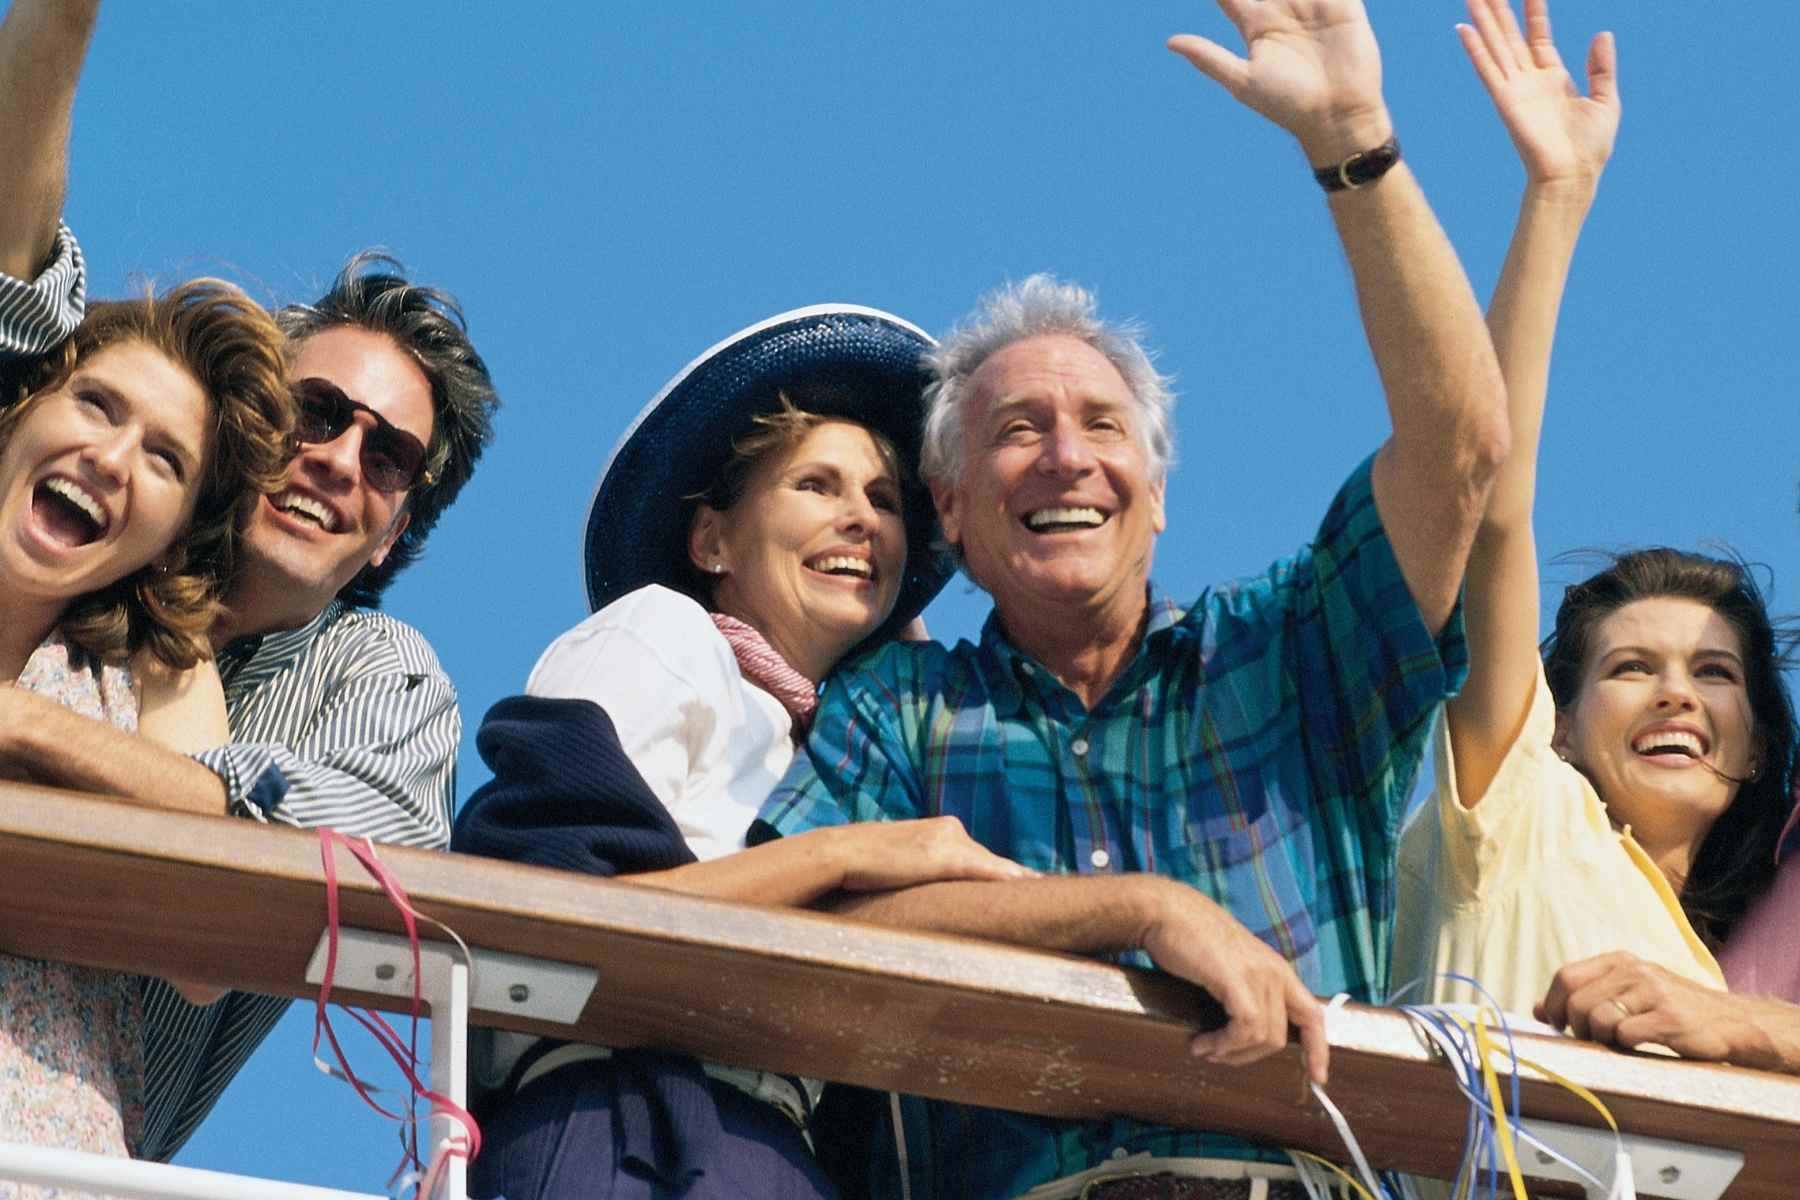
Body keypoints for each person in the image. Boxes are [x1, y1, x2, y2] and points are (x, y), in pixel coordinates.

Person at [754, 2, 1510, 1195]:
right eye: (1018, 431)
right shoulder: (896, 706)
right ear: (949, 509)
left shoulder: (1291, 652)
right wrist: (1140, 908)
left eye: (1103, 427)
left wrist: (1352, 136)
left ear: (1156, 496)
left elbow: (1465, 444)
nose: (1067, 457)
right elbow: (821, 942)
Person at [0, 0, 503, 1160]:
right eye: (317, 414)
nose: (339, 460)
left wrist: (30, 733)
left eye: (390, 459)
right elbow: (17, 276)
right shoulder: (79, 514)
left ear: (393, 535)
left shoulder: (368, 671)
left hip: (67, 1140)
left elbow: (361, 865)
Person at [453, 305, 1031, 1200]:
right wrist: (843, 855)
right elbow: (546, 910)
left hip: (780, 1150)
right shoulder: (661, 633)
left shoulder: (847, 752)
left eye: (884, 501)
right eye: (818, 486)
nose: (861, 521)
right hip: (625, 1122)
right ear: (711, 539)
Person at [1392, 0, 1800, 1078]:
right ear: (1557, 725)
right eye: (1631, 668)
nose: (1678, 695)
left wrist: (1751, 1025)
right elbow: (1494, 500)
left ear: (1755, 745)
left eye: (1715, 674)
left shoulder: (1715, 992)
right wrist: (1557, 198)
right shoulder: (1523, 812)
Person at [0, 280, 293, 1179]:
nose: (112, 457)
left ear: (171, 538)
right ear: (20, 415)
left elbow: (212, 946)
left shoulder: (151, 669)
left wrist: (23, 724)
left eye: (164, 459)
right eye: (96, 404)